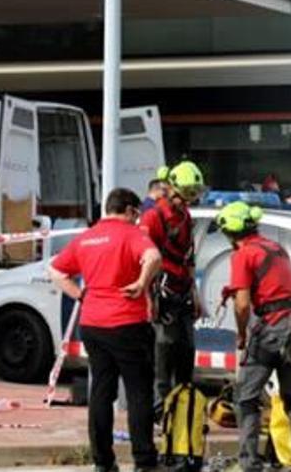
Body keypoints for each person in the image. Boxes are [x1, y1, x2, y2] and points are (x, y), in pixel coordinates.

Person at [48, 188, 162, 472]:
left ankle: (103, 462)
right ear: (129, 210)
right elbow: (154, 258)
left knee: (101, 391)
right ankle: (144, 461)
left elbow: (56, 271)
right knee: (138, 393)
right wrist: (141, 283)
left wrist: (80, 294)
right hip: (127, 323)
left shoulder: (86, 238)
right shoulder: (131, 233)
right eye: (136, 213)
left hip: (93, 324)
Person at [215, 201, 291, 472]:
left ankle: (249, 463)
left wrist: (241, 335)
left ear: (229, 232)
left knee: (246, 399)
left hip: (271, 330)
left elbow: (242, 304)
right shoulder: (275, 248)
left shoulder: (243, 255)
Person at [139, 161, 205, 414]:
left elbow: (188, 256)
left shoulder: (185, 216)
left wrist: (194, 294)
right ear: (171, 190)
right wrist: (148, 297)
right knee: (163, 355)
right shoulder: (154, 217)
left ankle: (183, 411)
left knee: (186, 352)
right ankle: (161, 412)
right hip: (161, 292)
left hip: (181, 291)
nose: (187, 202)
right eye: (184, 196)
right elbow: (144, 258)